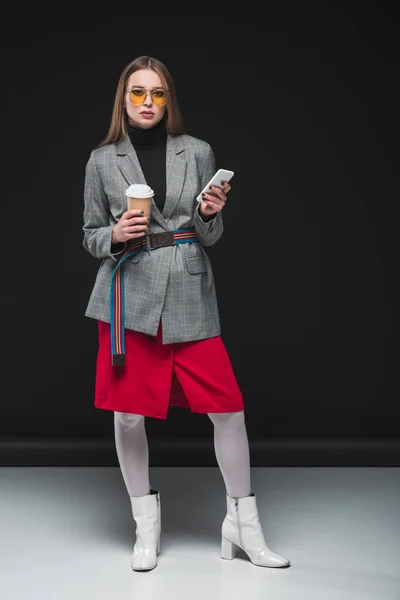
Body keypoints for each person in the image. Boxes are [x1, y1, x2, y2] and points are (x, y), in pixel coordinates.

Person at [82, 55, 290, 572]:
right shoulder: (102, 160)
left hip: (189, 290)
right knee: (128, 415)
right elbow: (89, 236)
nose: (147, 102)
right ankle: (145, 528)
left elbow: (209, 235)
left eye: (157, 93)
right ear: (124, 98)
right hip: (129, 294)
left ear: (168, 100)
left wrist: (208, 213)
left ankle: (244, 526)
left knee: (228, 408)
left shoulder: (196, 151)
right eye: (137, 93)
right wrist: (113, 235)